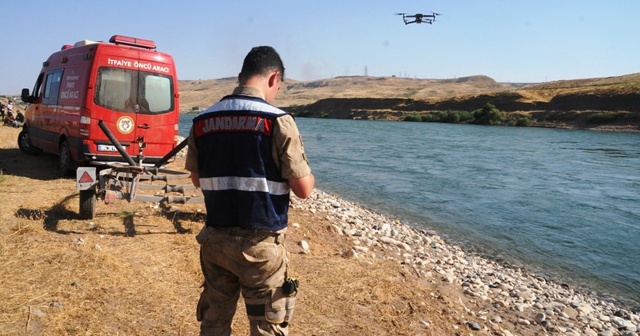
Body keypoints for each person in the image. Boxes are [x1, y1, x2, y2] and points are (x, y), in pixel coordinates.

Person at [185, 46, 315, 336]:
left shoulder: (202, 121)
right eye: (278, 87)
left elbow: (196, 179)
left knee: (213, 325)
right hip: (261, 249)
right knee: (266, 327)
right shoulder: (278, 121)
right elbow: (303, 188)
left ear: (240, 76)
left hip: (215, 242)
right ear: (274, 78)